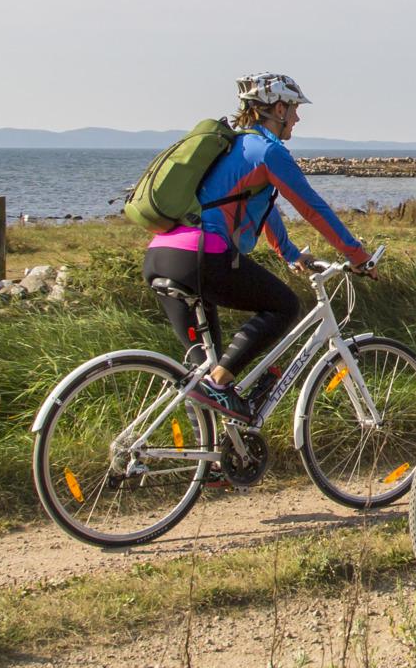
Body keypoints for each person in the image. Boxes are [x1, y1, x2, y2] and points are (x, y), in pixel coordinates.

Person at [144, 72, 371, 421]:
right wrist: (357, 255)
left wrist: (291, 253)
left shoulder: (234, 147)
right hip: (202, 255)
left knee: (202, 379)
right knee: (284, 306)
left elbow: (262, 208)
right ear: (278, 109)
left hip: (162, 254)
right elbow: (310, 206)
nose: (297, 117)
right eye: (294, 109)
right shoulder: (267, 150)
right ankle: (220, 386)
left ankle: (212, 467)